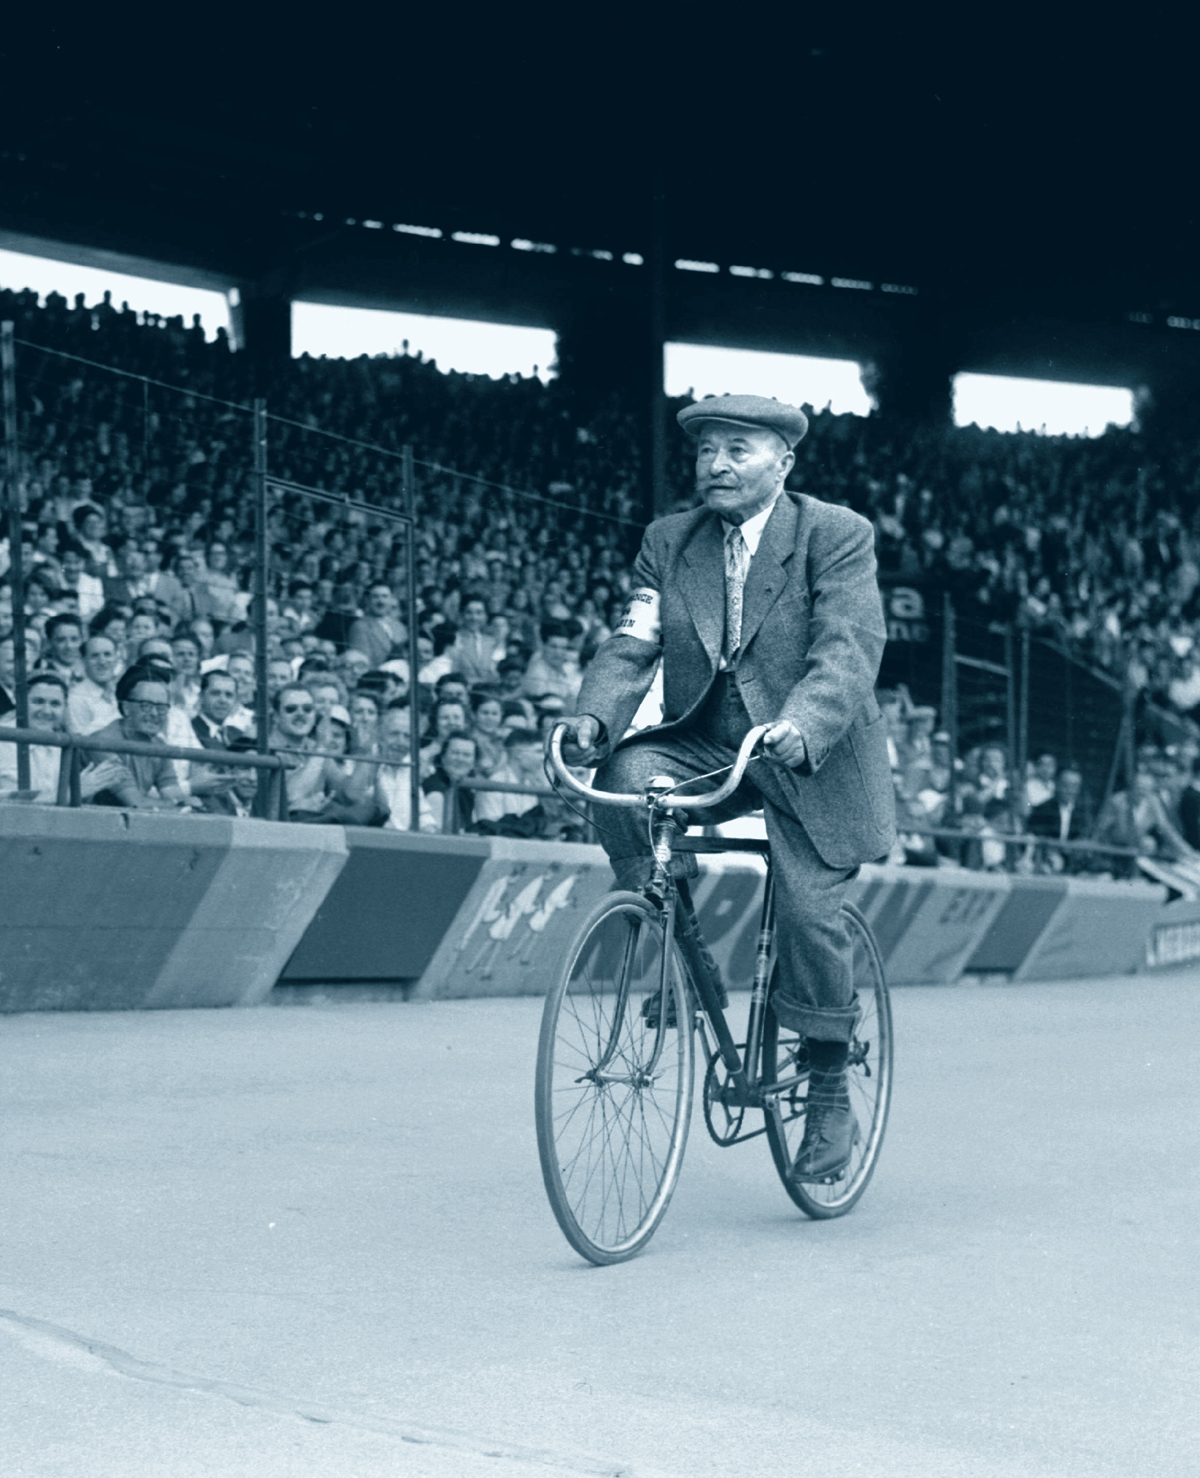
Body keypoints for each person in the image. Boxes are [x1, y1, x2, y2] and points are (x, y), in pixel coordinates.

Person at [561, 395, 894, 1186]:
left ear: (784, 461)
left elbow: (850, 647)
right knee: (623, 779)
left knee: (811, 913)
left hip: (809, 753)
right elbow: (633, 642)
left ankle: (824, 1083)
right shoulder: (670, 541)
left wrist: (804, 724)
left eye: (737, 449)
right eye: (707, 450)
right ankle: (674, 939)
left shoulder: (836, 534)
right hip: (710, 739)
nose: (715, 464)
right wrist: (593, 719)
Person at [83, 663, 189, 809]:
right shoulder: (103, 741)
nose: (154, 714)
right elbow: (135, 803)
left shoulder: (159, 745)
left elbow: (174, 794)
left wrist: (179, 804)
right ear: (126, 708)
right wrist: (175, 805)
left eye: (161, 707)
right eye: (146, 705)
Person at [0, 672, 67, 801]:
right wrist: (74, 792)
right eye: (38, 702)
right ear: (20, 701)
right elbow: (12, 805)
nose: (47, 711)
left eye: (55, 704)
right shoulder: (3, 740)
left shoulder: (60, 745)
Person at [1027, 766, 1091, 872]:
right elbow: (1037, 837)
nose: (1070, 790)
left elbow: (1084, 838)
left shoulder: (1083, 814)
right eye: (1066, 785)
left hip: (1073, 862)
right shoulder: (1042, 809)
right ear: (1057, 784)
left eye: (1074, 786)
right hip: (1045, 860)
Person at [422, 729, 478, 833]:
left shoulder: (467, 792)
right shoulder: (435, 792)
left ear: (473, 764)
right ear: (443, 757)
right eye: (455, 753)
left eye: (467, 755)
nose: (460, 759)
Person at [67, 633, 121, 735]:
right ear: (84, 661)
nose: (102, 661)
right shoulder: (76, 698)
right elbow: (80, 743)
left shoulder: (123, 692)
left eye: (107, 654)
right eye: (94, 656)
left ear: (116, 659)